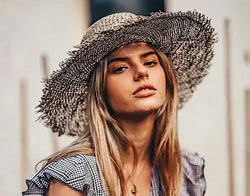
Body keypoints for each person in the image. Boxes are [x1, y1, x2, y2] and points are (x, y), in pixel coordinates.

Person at [22, 11, 217, 196]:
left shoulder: (184, 172)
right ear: (101, 91)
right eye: (120, 68)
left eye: (150, 62)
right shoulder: (75, 176)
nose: (141, 72)